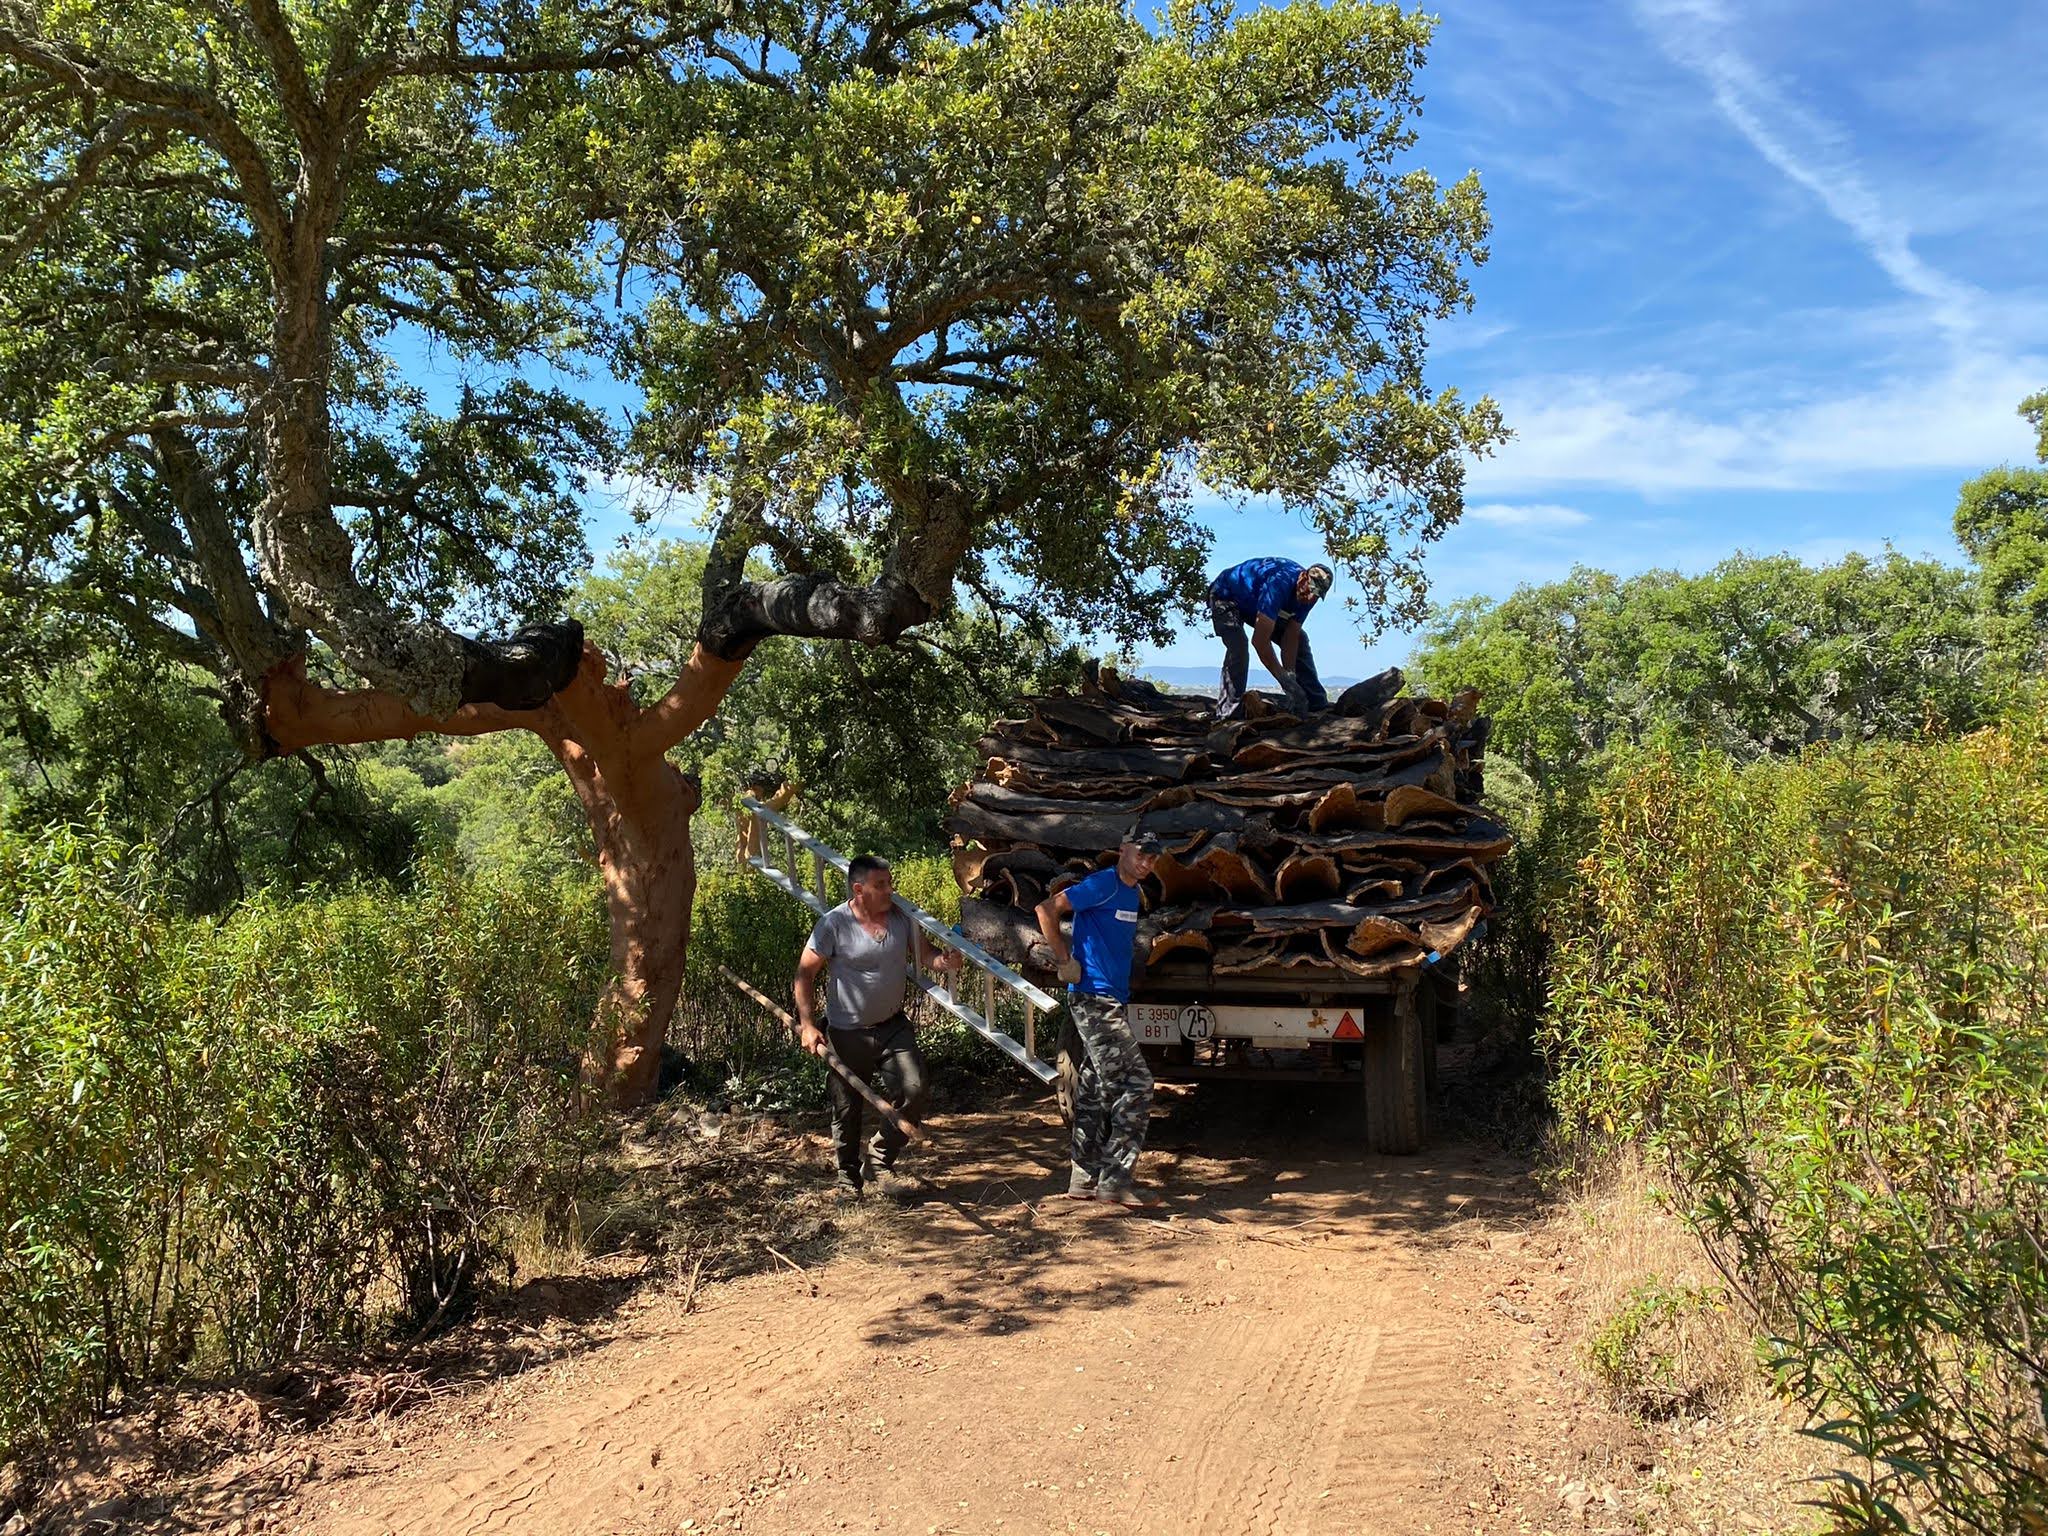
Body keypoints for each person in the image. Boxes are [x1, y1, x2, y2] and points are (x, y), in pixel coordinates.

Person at [794, 854, 962, 1200]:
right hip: (845, 1033)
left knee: (914, 1089)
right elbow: (805, 974)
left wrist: (944, 962)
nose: (890, 891)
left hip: (892, 1028)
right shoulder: (834, 924)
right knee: (846, 1108)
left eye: (890, 883)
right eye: (880, 885)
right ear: (859, 889)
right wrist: (808, 1025)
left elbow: (925, 954)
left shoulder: (901, 919)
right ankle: (847, 1181)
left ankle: (880, 1158)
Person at [1034, 829, 1165, 1208]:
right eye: (1141, 854)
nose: (1146, 863)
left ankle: (1084, 1178)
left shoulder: (1131, 893)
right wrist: (1064, 959)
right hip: (1093, 1000)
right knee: (1136, 1084)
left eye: (1153, 859)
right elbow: (1046, 910)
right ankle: (1115, 1180)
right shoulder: (1102, 884)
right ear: (1123, 849)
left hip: (1112, 999)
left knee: (1093, 1086)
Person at [1207, 557, 1334, 720]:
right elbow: (1260, 642)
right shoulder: (1279, 584)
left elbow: (1291, 635)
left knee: (1301, 640)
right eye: (1310, 590)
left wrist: (1291, 676)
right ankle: (1227, 714)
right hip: (1225, 596)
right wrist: (1283, 680)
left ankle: (1314, 702)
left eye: (1316, 594)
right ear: (1302, 578)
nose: (1310, 597)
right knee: (1238, 646)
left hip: (1254, 605)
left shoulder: (1311, 596)